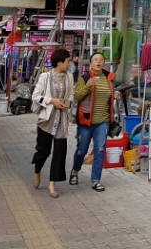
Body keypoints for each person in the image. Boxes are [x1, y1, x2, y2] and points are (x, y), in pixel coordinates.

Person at [69, 52, 118, 192]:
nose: (98, 62)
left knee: (100, 150)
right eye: (95, 59)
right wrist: (88, 85)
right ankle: (75, 170)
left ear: (104, 62)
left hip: (103, 121)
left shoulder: (109, 78)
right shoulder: (85, 77)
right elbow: (77, 96)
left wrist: (114, 95)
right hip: (85, 121)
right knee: (81, 150)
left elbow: (108, 97)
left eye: (101, 59)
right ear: (90, 63)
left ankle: (96, 180)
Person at [30, 48, 74, 198]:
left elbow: (71, 95)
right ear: (59, 62)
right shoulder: (45, 76)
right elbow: (35, 96)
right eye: (68, 61)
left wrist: (66, 103)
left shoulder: (69, 77)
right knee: (43, 151)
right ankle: (37, 169)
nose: (69, 64)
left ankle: (52, 183)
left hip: (62, 119)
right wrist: (52, 101)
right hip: (47, 119)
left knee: (60, 152)